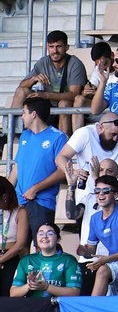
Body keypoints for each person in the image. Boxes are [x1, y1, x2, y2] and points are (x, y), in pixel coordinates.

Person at [13, 98, 66, 233]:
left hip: (42, 202)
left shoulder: (58, 137)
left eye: (24, 112)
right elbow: (17, 168)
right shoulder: (25, 135)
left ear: (34, 114)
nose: (22, 116)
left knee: (42, 247)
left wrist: (35, 188)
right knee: (19, 247)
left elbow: (62, 171)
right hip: (19, 202)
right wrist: (6, 192)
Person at [13, 29, 86, 111]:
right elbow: (21, 86)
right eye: (51, 47)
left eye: (59, 47)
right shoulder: (43, 62)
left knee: (64, 104)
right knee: (21, 91)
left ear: (67, 47)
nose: (55, 51)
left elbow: (74, 94)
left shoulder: (75, 63)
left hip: (67, 105)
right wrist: (33, 79)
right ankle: (13, 123)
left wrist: (46, 95)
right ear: (47, 47)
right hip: (46, 103)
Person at [10, 223, 79, 298]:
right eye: (40, 233)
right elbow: (13, 293)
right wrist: (30, 285)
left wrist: (47, 287)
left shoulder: (69, 260)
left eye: (50, 233)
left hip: (58, 307)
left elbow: (74, 292)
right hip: (33, 307)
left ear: (58, 239)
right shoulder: (27, 260)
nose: (44, 236)